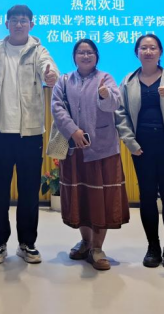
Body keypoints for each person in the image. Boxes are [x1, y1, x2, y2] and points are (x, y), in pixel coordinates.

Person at [0, 5, 59, 265]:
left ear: (31, 24)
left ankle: (27, 243)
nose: (19, 24)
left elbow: (49, 68)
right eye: (14, 20)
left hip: (30, 133)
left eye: (23, 20)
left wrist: (51, 75)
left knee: (29, 192)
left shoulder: (38, 50)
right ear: (6, 24)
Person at [50, 39, 128, 271]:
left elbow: (114, 103)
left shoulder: (106, 78)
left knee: (101, 199)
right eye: (81, 52)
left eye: (90, 52)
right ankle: (85, 242)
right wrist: (72, 131)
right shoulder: (64, 80)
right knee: (81, 197)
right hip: (75, 149)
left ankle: (97, 248)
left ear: (97, 56)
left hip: (102, 149)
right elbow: (57, 107)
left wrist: (104, 95)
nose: (85, 56)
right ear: (74, 56)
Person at [115, 34, 164, 269]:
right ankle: (153, 247)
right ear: (137, 52)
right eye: (143, 48)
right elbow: (120, 114)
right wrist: (130, 143)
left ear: (160, 52)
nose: (148, 52)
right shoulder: (128, 81)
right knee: (146, 197)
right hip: (141, 149)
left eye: (153, 47)